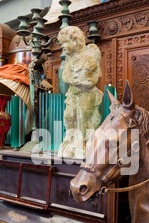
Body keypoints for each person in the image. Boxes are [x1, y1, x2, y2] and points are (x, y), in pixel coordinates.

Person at [56, 26, 103, 159]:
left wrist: (83, 83)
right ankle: (70, 141)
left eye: (65, 42)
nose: (62, 47)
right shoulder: (69, 58)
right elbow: (65, 76)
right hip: (72, 93)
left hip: (86, 94)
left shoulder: (90, 54)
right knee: (68, 115)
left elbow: (94, 78)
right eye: (61, 43)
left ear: (76, 41)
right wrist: (71, 79)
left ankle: (81, 144)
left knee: (83, 117)